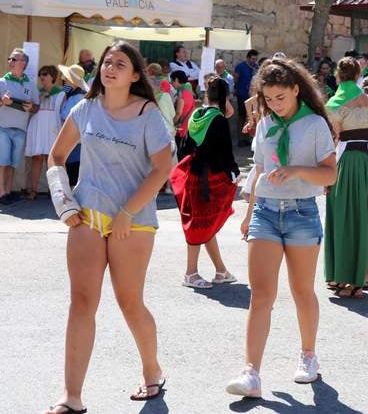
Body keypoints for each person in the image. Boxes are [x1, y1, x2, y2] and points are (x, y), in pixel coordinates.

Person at [43, 41, 172, 413]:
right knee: (81, 303)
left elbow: (162, 168)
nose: (110, 68)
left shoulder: (148, 114)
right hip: (87, 215)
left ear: (135, 75)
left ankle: (152, 370)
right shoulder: (85, 108)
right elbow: (56, 155)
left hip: (133, 222)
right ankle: (72, 397)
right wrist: (63, 201)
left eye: (120, 63)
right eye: (106, 62)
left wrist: (128, 213)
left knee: (130, 302)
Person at [226, 59, 336, 397]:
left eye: (280, 98)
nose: (274, 105)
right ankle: (251, 373)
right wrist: (248, 211)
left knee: (302, 291)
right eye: (268, 99)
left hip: (302, 212)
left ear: (296, 90)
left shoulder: (315, 124)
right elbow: (258, 168)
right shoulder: (265, 123)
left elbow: (330, 174)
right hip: (266, 212)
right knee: (261, 294)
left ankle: (308, 356)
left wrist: (297, 170)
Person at [170, 75, 239, 289]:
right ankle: (190, 273)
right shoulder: (217, 119)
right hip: (210, 179)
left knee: (205, 223)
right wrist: (234, 173)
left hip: (194, 174)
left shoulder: (195, 115)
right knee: (200, 224)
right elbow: (225, 153)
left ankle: (221, 270)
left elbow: (185, 148)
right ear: (225, 97)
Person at [324, 57, 368, 298]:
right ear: (359, 75)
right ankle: (359, 279)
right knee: (363, 217)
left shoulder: (333, 104)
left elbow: (334, 140)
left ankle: (339, 276)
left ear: (338, 77)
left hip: (345, 161)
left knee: (340, 216)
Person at [0, 48, 40, 204]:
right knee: (2, 161)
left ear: (23, 63)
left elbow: (37, 106)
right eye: (10, 59)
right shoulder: (2, 82)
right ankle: (2, 193)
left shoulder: (30, 85)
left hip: (21, 129)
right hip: (2, 127)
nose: (10, 61)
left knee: (13, 163)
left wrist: (31, 108)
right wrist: (2, 102)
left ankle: (8, 191)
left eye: (14, 59)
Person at [24, 65, 65, 200]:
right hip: (37, 125)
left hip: (52, 126)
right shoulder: (36, 92)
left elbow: (61, 113)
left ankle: (52, 191)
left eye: (45, 74)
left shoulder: (60, 93)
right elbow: (31, 108)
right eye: (40, 74)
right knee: (36, 158)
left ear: (52, 76)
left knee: (50, 159)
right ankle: (33, 190)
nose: (41, 77)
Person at [58, 65, 90, 187]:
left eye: (66, 79)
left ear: (73, 81)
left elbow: (67, 116)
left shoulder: (78, 98)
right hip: (73, 140)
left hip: (76, 141)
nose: (64, 80)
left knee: (74, 170)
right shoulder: (73, 96)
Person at [171, 70, 196, 160]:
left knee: (180, 156)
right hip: (189, 127)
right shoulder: (189, 91)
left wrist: (172, 123)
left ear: (177, 80)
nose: (172, 83)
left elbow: (178, 113)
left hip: (181, 129)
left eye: (172, 81)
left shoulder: (181, 93)